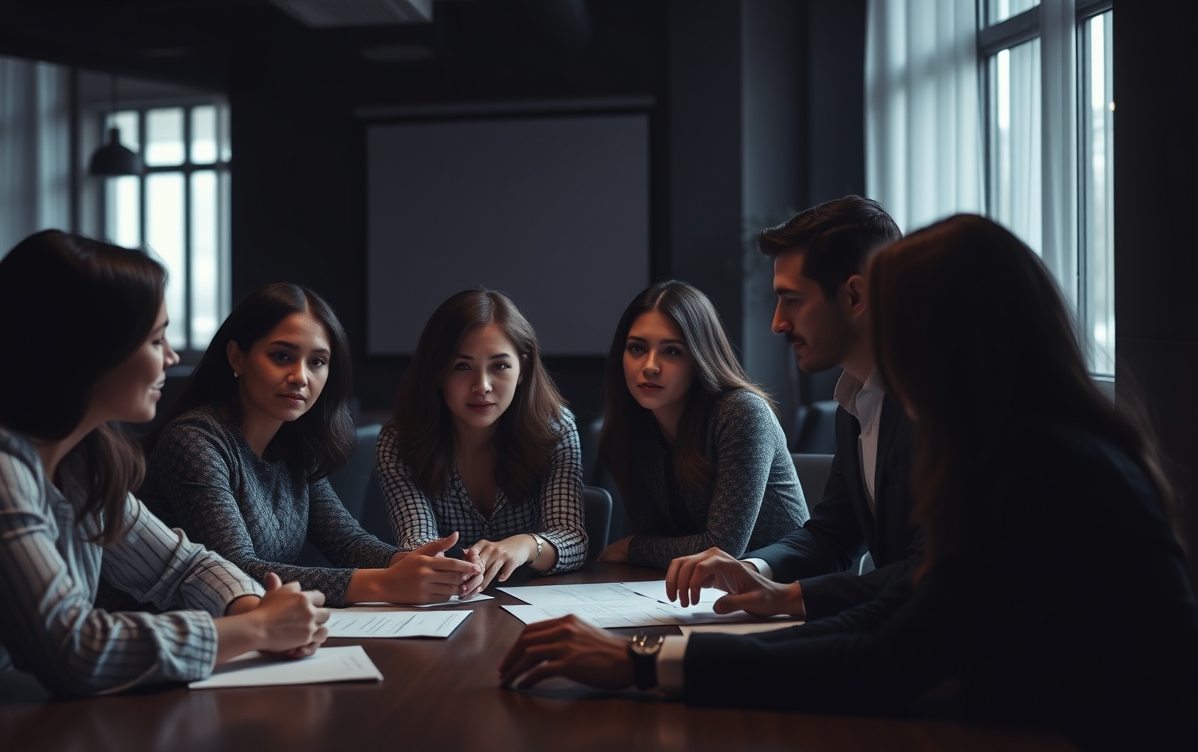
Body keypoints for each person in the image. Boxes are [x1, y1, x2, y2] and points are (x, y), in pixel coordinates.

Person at [499, 216, 1198, 752]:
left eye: (897, 329)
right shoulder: (1016, 450)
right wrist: (650, 655)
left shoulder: (1042, 468)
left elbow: (888, 658)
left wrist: (642, 662)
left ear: (953, 340)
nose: (886, 358)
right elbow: (891, 612)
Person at [0, 232, 329, 743]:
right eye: (155, 340)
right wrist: (257, 630)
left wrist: (252, 607)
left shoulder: (83, 459)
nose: (172, 358)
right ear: (88, 352)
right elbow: (75, 649)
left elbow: (180, 566)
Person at [138, 283, 482, 606]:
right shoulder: (195, 440)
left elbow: (347, 543)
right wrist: (383, 583)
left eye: (317, 362)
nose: (301, 376)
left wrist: (408, 561)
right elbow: (234, 571)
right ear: (237, 358)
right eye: (282, 356)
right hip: (168, 640)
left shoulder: (294, 444)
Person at [710, 196, 917, 620]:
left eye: (792, 300)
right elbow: (832, 536)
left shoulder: (931, 409)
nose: (777, 323)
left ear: (854, 296)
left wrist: (787, 598)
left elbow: (927, 571)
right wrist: (751, 569)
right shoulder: (853, 404)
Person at [378, 289, 587, 591]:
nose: (482, 386)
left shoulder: (554, 429)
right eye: (462, 366)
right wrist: (448, 564)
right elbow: (418, 543)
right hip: (451, 599)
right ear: (437, 372)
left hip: (536, 604)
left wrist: (524, 546)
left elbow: (572, 538)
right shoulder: (400, 440)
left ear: (523, 369)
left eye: (500, 366)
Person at [594, 280, 807, 569]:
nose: (650, 366)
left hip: (784, 588)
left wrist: (631, 548)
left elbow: (721, 550)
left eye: (671, 351)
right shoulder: (633, 428)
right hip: (692, 592)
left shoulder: (742, 413)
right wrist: (637, 547)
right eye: (637, 348)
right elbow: (648, 537)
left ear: (699, 357)